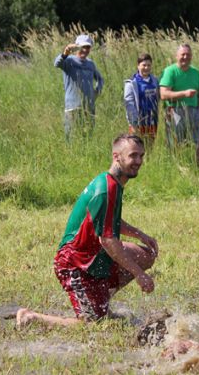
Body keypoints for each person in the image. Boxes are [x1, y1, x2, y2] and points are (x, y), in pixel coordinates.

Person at [16, 135, 158, 328]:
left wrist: (140, 235)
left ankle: (99, 302)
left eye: (142, 156)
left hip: (94, 256)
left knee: (145, 255)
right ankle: (31, 317)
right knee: (93, 324)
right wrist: (139, 274)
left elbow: (109, 220)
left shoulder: (112, 183)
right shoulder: (106, 189)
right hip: (74, 263)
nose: (139, 161)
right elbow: (108, 240)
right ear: (117, 156)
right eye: (133, 156)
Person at [159, 44, 199, 165]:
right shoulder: (170, 71)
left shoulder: (196, 72)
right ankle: (177, 167)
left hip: (194, 111)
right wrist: (184, 94)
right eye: (183, 54)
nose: (186, 57)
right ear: (176, 56)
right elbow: (163, 94)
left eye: (188, 55)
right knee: (175, 142)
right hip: (175, 111)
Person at [53, 34, 104, 142]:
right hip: (73, 106)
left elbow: (100, 79)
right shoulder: (69, 61)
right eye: (82, 47)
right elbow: (57, 63)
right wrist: (66, 52)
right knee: (71, 138)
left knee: (88, 136)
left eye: (88, 47)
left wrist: (96, 92)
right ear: (76, 47)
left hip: (89, 107)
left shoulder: (91, 64)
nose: (85, 50)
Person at [124, 53, 159, 144]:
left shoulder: (155, 81)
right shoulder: (131, 83)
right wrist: (134, 123)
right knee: (137, 148)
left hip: (152, 121)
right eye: (144, 65)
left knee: (150, 148)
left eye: (149, 65)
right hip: (138, 123)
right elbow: (129, 105)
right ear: (138, 66)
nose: (146, 68)